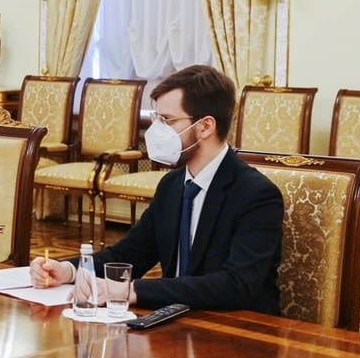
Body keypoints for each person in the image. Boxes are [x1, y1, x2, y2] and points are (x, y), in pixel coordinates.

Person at [30, 64, 283, 315]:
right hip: (177, 319)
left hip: (239, 326)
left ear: (206, 126)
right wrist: (69, 271)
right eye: (157, 119)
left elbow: (236, 285)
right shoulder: (172, 185)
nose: (157, 130)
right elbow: (131, 253)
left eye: (167, 120)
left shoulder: (257, 195)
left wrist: (131, 291)